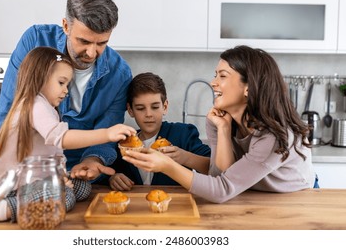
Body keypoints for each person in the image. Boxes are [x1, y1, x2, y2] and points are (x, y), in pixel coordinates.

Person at [0, 0, 132, 207]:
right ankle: (10, 207)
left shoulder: (120, 74)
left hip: (71, 174)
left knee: (77, 194)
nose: (91, 53)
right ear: (66, 25)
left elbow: (107, 133)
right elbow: (7, 110)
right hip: (25, 171)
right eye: (84, 41)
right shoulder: (36, 41)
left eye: (101, 43)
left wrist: (91, 161)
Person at [0, 47, 136, 225]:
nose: (66, 91)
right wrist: (106, 134)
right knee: (60, 200)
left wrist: (61, 177)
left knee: (82, 188)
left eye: (68, 84)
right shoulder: (34, 104)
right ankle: (3, 208)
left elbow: (49, 155)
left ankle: (34, 197)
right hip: (13, 185)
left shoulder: (46, 108)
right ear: (41, 78)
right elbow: (61, 138)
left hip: (32, 180)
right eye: (61, 82)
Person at [122, 45, 318, 203]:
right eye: (215, 74)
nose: (213, 83)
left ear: (248, 87)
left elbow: (221, 189)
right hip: (253, 196)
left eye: (222, 76)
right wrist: (223, 130)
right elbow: (220, 175)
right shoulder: (220, 120)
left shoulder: (272, 136)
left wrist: (167, 166)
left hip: (296, 199)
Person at [108, 72, 211, 191]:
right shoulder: (123, 143)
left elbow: (213, 169)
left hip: (176, 205)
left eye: (155, 107)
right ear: (130, 110)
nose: (148, 114)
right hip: (136, 207)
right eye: (140, 108)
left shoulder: (183, 133)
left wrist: (185, 157)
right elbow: (106, 172)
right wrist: (113, 178)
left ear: (165, 107)